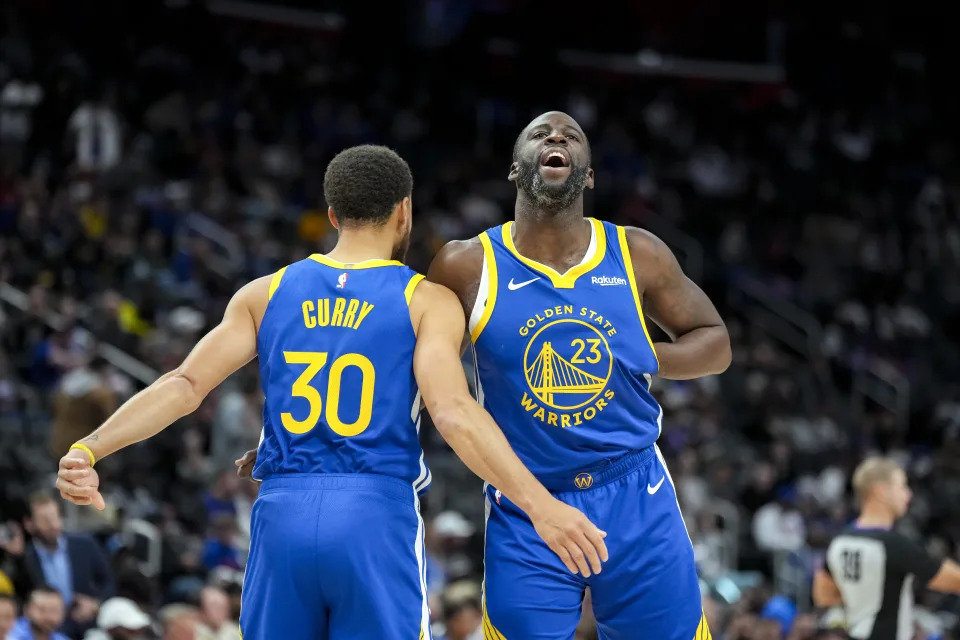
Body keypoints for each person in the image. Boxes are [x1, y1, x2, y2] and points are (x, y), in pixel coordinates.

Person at [56, 145, 606, 640]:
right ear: (404, 211)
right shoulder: (425, 300)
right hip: (374, 514)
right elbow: (453, 412)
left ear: (333, 215)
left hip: (282, 514)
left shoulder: (265, 293)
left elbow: (183, 385)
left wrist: (89, 449)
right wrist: (541, 506)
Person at [426, 111, 731, 639]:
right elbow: (421, 379)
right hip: (526, 497)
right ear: (515, 170)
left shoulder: (637, 253)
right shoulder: (465, 266)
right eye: (540, 133)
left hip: (635, 487)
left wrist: (648, 355)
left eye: (572, 135)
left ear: (587, 175)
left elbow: (716, 343)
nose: (556, 137)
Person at [813, 457, 960, 640]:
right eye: (902, 487)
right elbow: (949, 579)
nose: (908, 494)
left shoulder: (839, 541)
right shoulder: (892, 545)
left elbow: (823, 594)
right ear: (881, 491)